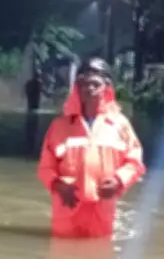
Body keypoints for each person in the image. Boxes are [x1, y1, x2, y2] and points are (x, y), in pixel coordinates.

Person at [37, 57, 145, 238]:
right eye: (85, 84)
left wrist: (118, 181)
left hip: (102, 208)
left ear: (107, 88)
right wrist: (57, 185)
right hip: (67, 208)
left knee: (100, 248)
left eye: (96, 84)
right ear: (77, 88)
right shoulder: (60, 126)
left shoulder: (120, 125)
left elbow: (135, 162)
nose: (90, 89)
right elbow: (45, 168)